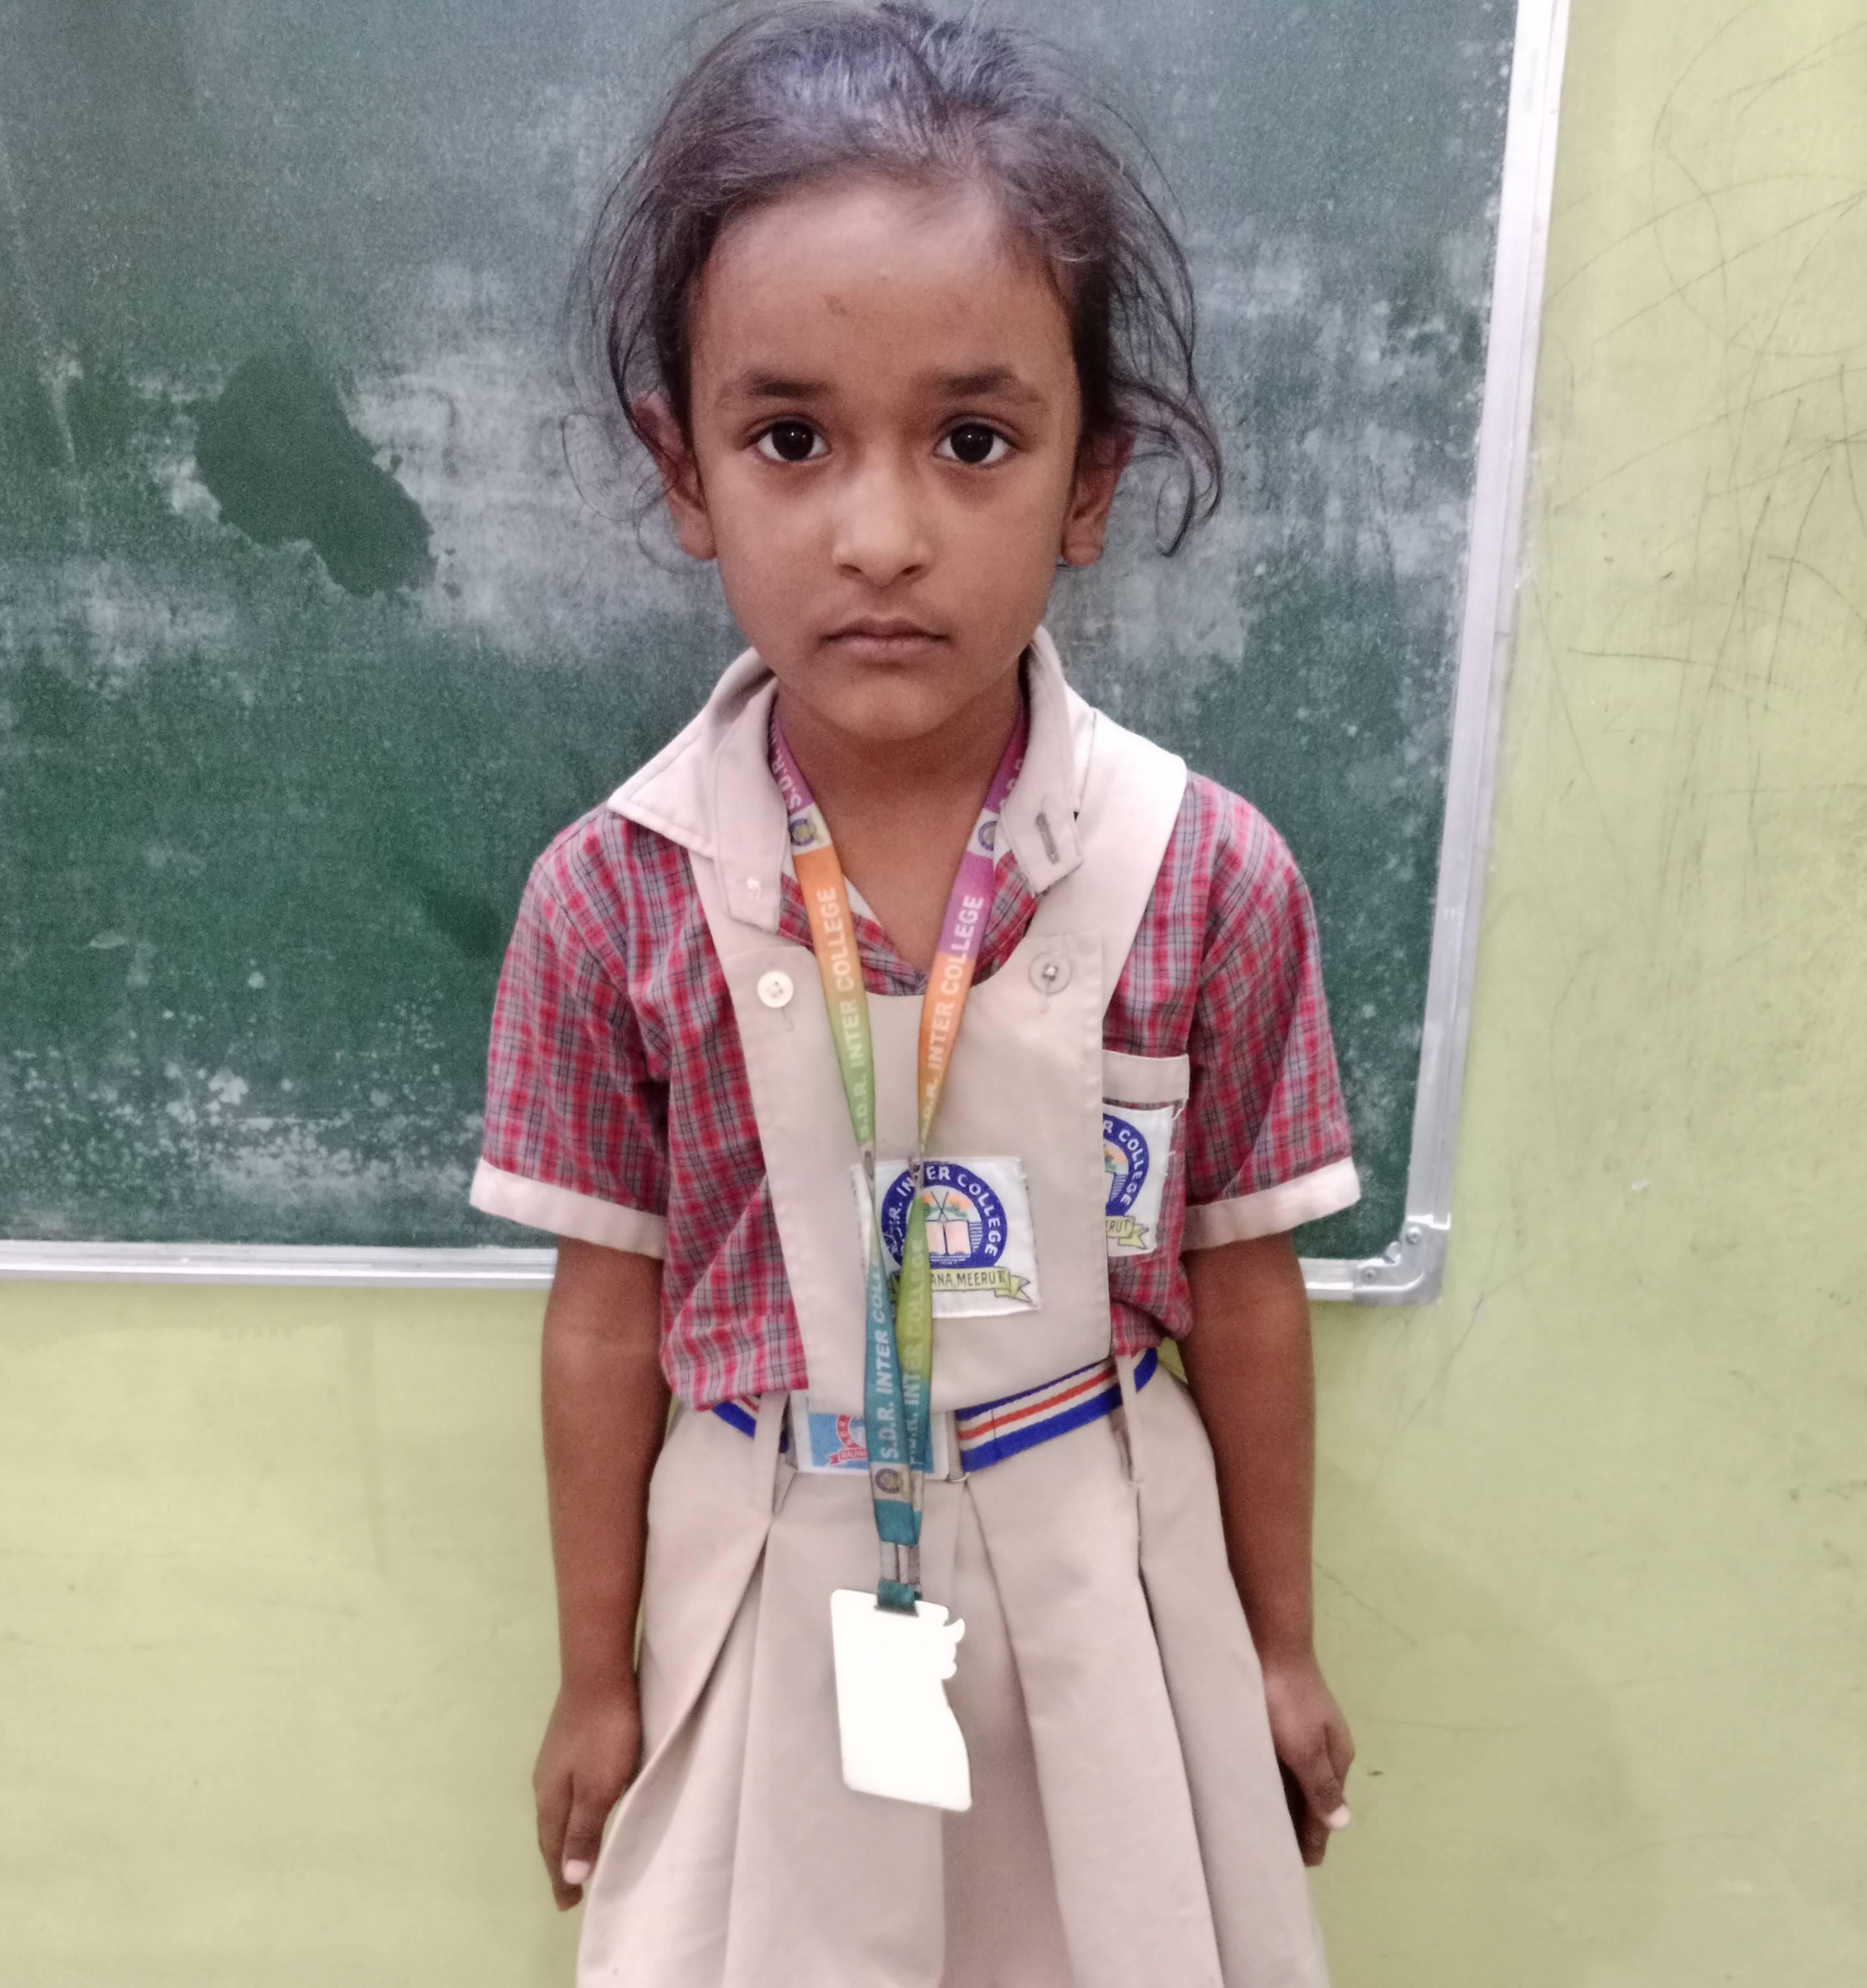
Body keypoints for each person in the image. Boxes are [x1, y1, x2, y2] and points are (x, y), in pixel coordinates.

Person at [470, 6, 1362, 1982]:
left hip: (1107, 1562)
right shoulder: (612, 896)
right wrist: (594, 1675)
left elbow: (1243, 1287)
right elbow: (605, 1319)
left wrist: (1281, 1641)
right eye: (790, 439)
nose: (880, 535)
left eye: (973, 441)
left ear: (1088, 479)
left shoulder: (1208, 874)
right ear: (685, 470)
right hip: (766, 1565)